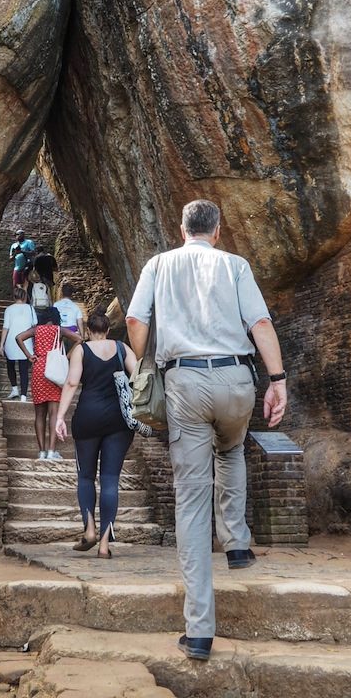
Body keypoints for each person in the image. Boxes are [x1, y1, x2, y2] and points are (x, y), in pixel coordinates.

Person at [126, 199, 287, 663]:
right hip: (237, 379)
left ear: (182, 229)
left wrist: (149, 359)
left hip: (186, 382)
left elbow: (136, 320)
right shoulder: (236, 265)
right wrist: (277, 381)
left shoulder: (160, 264)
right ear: (217, 231)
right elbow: (259, 323)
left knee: (191, 496)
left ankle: (199, 631)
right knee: (232, 449)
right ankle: (236, 543)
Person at [55, 308, 139, 558]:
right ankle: (104, 544)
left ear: (88, 331)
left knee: (86, 477)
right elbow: (139, 376)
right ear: (109, 330)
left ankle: (89, 529)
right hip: (118, 421)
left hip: (88, 418)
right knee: (110, 479)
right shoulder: (122, 348)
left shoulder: (81, 349)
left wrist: (60, 416)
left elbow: (71, 382)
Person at [17, 307, 80, 461]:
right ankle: (52, 452)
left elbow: (18, 337)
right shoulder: (59, 330)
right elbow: (79, 339)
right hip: (55, 370)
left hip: (39, 369)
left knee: (39, 414)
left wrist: (29, 355)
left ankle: (41, 452)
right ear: (56, 318)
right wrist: (67, 357)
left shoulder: (36, 330)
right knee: (54, 413)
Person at [0, 286, 37, 400]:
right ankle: (24, 395)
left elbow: (5, 327)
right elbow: (35, 324)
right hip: (26, 341)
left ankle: (14, 389)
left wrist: (1, 344)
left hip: (10, 340)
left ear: (14, 297)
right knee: (24, 369)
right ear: (24, 296)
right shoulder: (30, 308)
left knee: (10, 366)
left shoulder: (9, 309)